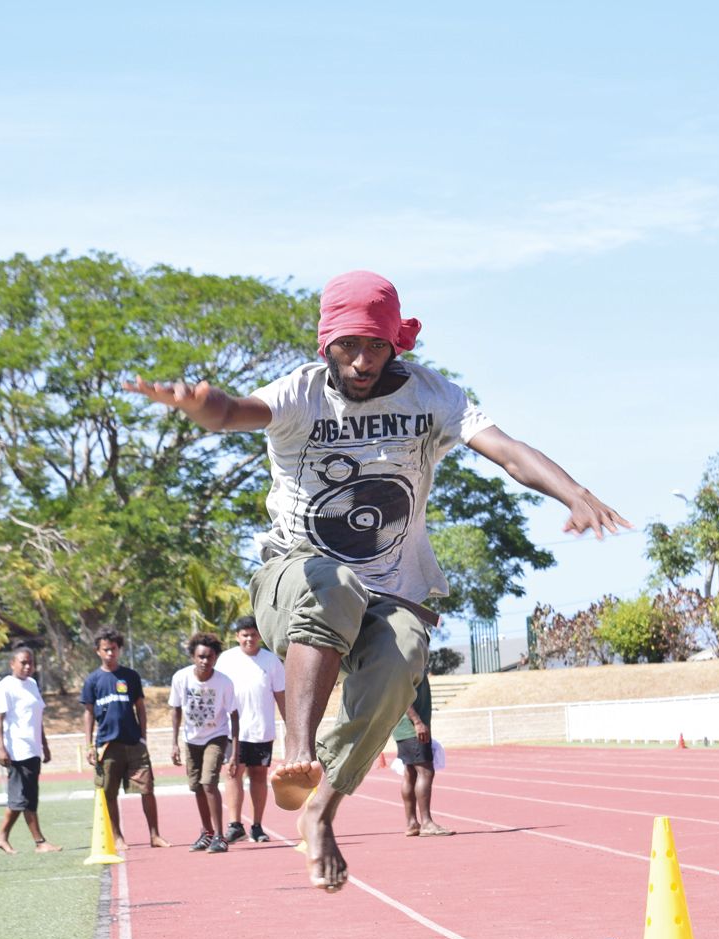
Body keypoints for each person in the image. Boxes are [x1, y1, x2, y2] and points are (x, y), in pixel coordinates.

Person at [125, 269, 630, 893]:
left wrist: (574, 493)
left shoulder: (431, 395)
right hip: (292, 575)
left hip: (389, 589)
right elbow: (234, 412)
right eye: (348, 347)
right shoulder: (301, 393)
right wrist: (205, 407)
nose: (362, 363)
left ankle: (322, 811)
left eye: (376, 347)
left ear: (397, 343)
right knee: (333, 582)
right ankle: (299, 748)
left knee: (405, 659)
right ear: (325, 343)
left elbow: (507, 450)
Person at [80, 628, 170, 853]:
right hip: (107, 745)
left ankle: (154, 834)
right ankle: (117, 836)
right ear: (98, 651)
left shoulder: (130, 676)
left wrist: (143, 738)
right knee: (108, 793)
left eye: (114, 649)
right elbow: (88, 713)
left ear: (119, 649)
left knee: (147, 789)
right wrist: (90, 745)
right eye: (106, 650)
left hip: (134, 744)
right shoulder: (92, 680)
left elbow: (140, 707)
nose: (110, 653)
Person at [216, 614, 286, 843]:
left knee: (258, 775)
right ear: (237, 637)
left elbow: (280, 695)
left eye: (253, 635)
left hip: (262, 729)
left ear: (260, 636)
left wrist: (291, 724)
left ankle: (257, 826)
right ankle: (235, 824)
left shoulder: (271, 661)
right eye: (245, 635)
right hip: (233, 731)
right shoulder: (226, 660)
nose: (249, 639)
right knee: (233, 773)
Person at [168, 633, 240, 853]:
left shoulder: (224, 682)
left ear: (216, 658)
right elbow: (176, 709)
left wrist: (235, 753)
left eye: (209, 657)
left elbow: (234, 716)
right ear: (192, 657)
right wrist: (174, 743)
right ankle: (206, 833)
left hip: (216, 736)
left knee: (209, 782)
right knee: (197, 786)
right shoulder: (181, 678)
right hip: (191, 740)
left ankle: (220, 836)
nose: (205, 661)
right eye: (200, 656)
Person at [0, 645, 61, 854]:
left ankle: (1, 837)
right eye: (23, 662)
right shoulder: (6, 686)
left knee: (25, 797)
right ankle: (39, 842)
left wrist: (44, 745)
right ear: (12, 663)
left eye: (31, 662)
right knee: (23, 798)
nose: (28, 666)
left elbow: (37, 719)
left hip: (33, 749)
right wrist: (1, 748)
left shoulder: (32, 684)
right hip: (17, 750)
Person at [393, 673, 453, 838]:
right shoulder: (409, 659)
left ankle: (412, 823)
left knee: (410, 773)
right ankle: (426, 822)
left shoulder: (404, 661)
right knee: (426, 771)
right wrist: (418, 722)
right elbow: (402, 693)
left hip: (402, 727)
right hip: (411, 727)